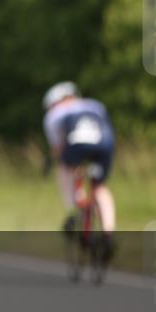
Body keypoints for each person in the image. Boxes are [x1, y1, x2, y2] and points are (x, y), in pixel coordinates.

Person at [42, 81, 117, 260]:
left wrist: (50, 162)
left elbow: (59, 147)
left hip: (77, 145)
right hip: (105, 146)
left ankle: (74, 208)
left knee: (65, 168)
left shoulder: (54, 114)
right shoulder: (95, 105)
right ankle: (108, 233)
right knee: (100, 187)